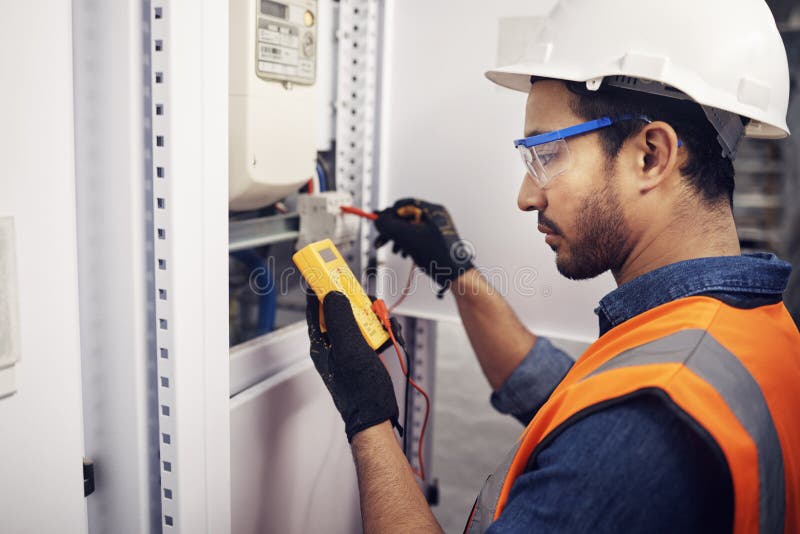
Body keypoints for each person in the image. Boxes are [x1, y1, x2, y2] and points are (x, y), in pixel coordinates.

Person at [304, 0, 800, 532]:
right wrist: (456, 269)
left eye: (546, 154)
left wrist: (369, 418)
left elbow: (614, 431)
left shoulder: (649, 420)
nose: (525, 196)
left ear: (651, 155)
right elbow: (561, 394)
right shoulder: (741, 330)